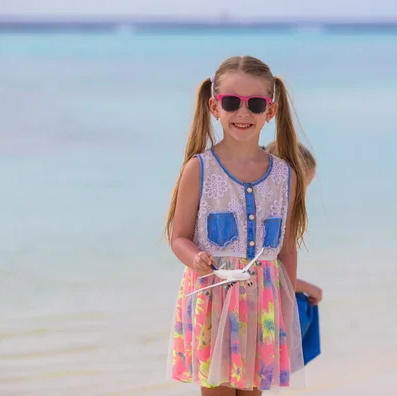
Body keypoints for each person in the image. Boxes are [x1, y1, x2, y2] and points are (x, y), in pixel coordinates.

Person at [164, 55, 308, 396]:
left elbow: (286, 249)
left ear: (270, 111)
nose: (243, 113)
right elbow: (179, 237)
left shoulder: (286, 175)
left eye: (255, 104)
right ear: (215, 107)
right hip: (213, 298)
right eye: (232, 103)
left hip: (264, 304)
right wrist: (195, 257)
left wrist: (285, 313)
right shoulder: (199, 169)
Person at [263, 141, 322, 366]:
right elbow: (272, 278)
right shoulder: (273, 218)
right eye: (305, 186)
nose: (304, 195)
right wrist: (309, 287)